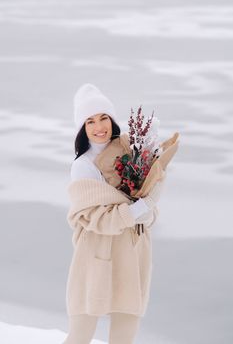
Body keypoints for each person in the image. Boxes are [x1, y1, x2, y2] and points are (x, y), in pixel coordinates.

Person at [63, 83, 166, 344]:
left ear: (112, 120)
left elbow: (146, 202)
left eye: (103, 118)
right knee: (80, 335)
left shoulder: (130, 153)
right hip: (96, 254)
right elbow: (90, 218)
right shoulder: (83, 166)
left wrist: (148, 211)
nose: (99, 127)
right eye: (90, 121)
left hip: (132, 253)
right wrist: (135, 211)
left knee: (124, 336)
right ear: (82, 129)